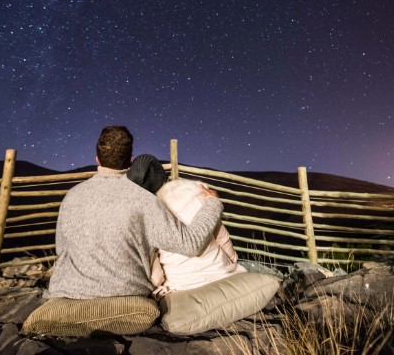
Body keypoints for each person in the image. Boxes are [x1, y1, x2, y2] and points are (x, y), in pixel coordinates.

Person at [45, 126, 223, 299]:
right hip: (125, 294)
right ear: (131, 160)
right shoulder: (144, 200)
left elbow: (62, 249)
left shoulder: (72, 196)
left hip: (67, 291)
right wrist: (212, 204)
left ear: (97, 160)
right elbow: (189, 244)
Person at [150, 178, 247, 298]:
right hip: (220, 276)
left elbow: (156, 278)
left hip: (180, 286)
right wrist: (232, 262)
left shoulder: (151, 215)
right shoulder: (200, 197)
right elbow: (222, 238)